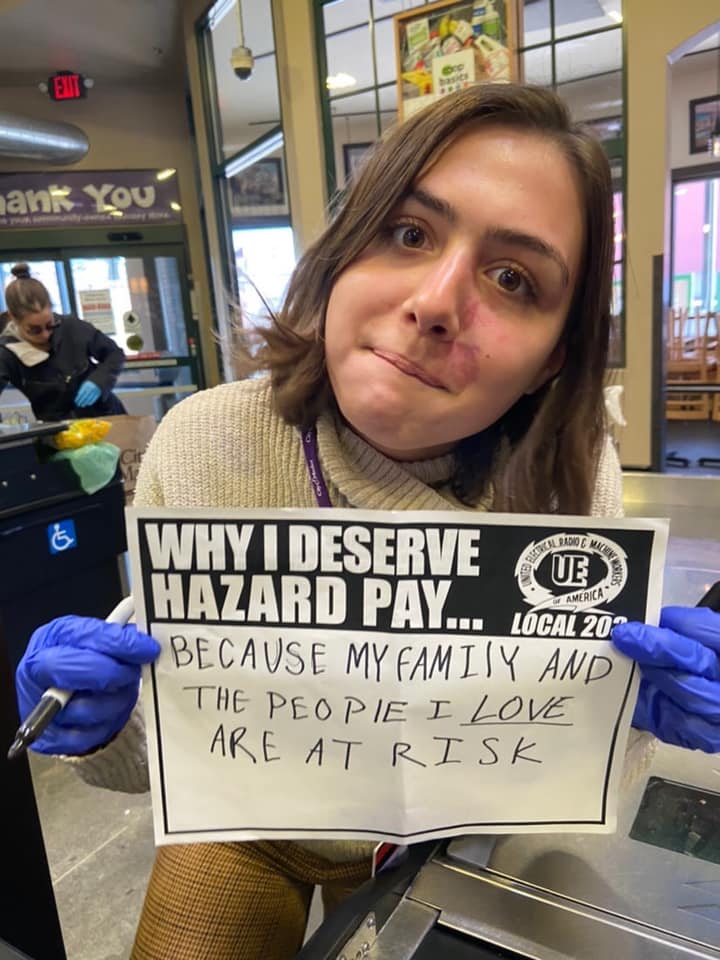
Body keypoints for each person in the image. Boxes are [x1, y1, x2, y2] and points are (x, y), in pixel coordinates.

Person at [14, 83, 720, 960]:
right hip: (248, 821)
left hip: (444, 834)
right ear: (343, 254)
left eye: (514, 279)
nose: (435, 301)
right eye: (410, 232)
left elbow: (556, 783)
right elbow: (146, 766)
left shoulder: (573, 486)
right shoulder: (207, 442)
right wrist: (105, 717)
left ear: (551, 361)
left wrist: (629, 718)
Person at [0, 263, 127, 421]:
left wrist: (99, 381)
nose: (45, 335)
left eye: (49, 325)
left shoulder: (72, 327)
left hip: (106, 417)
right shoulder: (6, 353)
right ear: (13, 318)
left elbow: (114, 354)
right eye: (34, 330)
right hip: (57, 431)